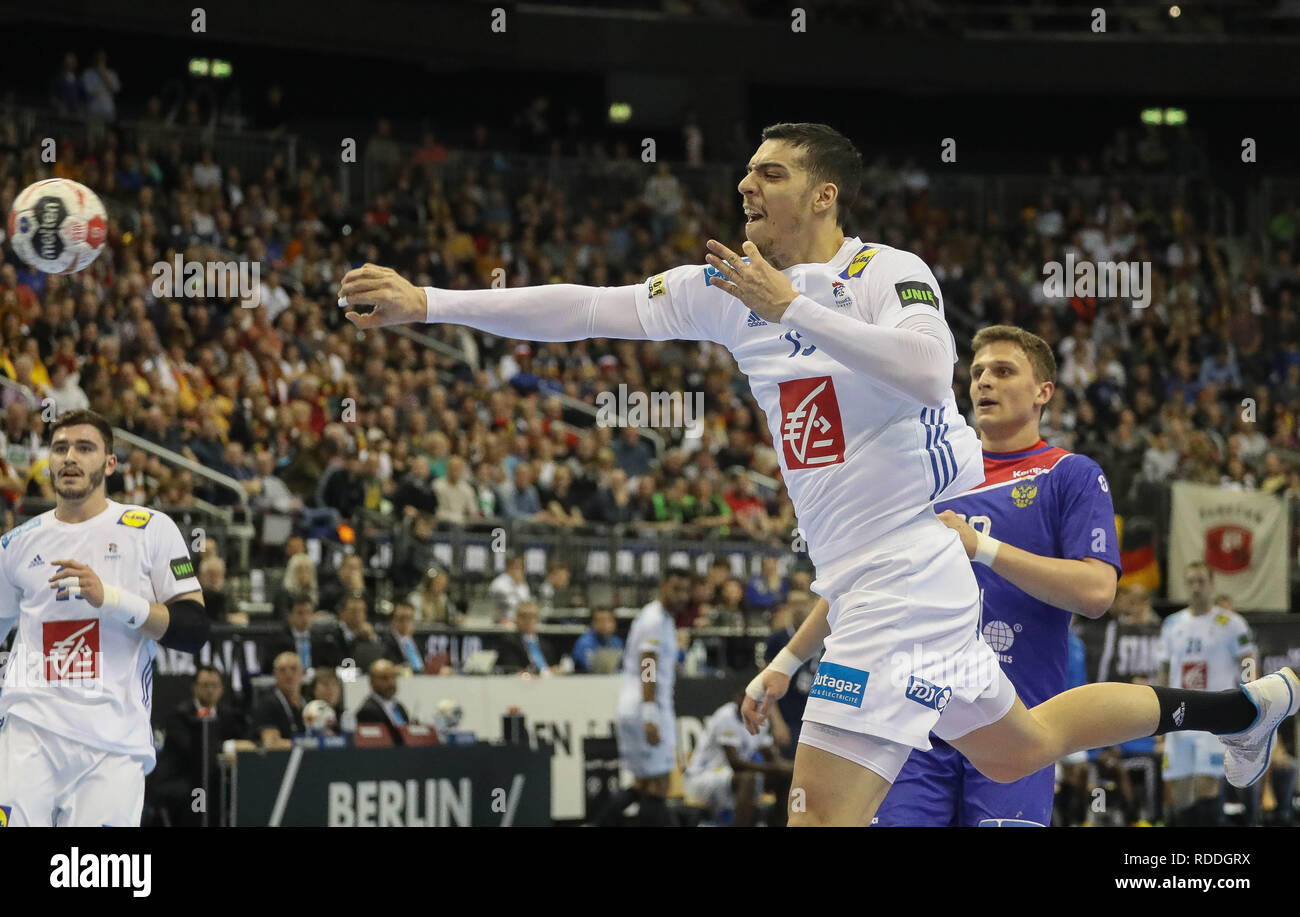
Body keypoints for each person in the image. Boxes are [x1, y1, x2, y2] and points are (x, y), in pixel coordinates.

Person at [338, 122, 1299, 826]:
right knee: (1025, 743)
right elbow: (590, 305)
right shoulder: (725, 291)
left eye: (772, 172)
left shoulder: (887, 269)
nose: (748, 185)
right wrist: (431, 302)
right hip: (867, 576)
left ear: (824, 195)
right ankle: (1244, 709)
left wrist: (792, 307)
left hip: (906, 577)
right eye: (748, 172)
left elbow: (928, 369)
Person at [874, 326, 1122, 827]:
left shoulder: (1069, 474)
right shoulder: (930, 477)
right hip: (918, 717)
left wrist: (982, 548)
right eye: (978, 372)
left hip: (1017, 722)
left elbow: (1096, 593)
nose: (984, 382)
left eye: (1003, 371)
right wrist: (787, 661)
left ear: (1042, 392)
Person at [0, 409, 209, 827]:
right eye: (60, 448)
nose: (69, 458)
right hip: (29, 731)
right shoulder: (15, 545)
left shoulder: (151, 529)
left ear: (110, 463)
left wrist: (111, 599)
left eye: (84, 447)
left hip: (114, 743)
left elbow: (194, 629)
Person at [1158, 561, 1257, 826]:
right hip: (1178, 720)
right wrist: (1155, 716)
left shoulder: (1232, 624)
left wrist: (1254, 701)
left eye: (1201, 581)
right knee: (1179, 793)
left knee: (1206, 785)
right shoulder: (1171, 624)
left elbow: (1248, 663)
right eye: (1191, 582)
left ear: (1212, 584)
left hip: (1214, 720)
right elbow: (1164, 671)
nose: (1196, 588)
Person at [593, 566, 690, 827]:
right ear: (662, 588)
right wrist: (650, 713)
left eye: (684, 590)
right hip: (646, 706)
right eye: (675, 589)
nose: (681, 596)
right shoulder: (654, 621)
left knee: (643, 783)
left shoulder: (664, 619)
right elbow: (648, 665)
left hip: (639, 705)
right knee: (660, 783)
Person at [150, 665, 252, 826]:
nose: (210, 690)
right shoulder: (180, 716)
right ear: (195, 688)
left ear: (222, 689)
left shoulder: (229, 716)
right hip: (183, 778)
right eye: (205, 685)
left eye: (214, 686)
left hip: (217, 780)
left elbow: (244, 740)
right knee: (201, 793)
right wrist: (227, 747)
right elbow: (193, 748)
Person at [683, 689, 793, 827]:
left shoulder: (760, 717)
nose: (749, 702)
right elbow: (735, 763)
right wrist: (777, 768)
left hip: (732, 779)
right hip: (702, 777)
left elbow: (770, 756)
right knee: (748, 779)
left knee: (784, 778)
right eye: (745, 697)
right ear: (736, 699)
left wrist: (789, 768)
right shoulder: (725, 716)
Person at [264, 597, 343, 672]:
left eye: (308, 612)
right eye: (300, 613)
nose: (305, 617)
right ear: (289, 616)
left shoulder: (323, 640)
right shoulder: (277, 641)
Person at [253, 652, 307, 749]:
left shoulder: (309, 703)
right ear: (275, 675)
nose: (288, 674)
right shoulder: (267, 703)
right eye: (282, 670)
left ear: (303, 673)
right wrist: (309, 744)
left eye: (293, 669)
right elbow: (271, 743)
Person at [354, 659, 411, 745]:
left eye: (393, 677)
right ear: (372, 682)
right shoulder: (367, 711)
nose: (391, 682)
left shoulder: (399, 707)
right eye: (384, 678)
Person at [495, 602, 558, 675]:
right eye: (524, 616)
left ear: (537, 619)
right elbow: (512, 669)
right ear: (516, 619)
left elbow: (554, 666)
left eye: (532, 616)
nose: (528, 620)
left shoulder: (546, 644)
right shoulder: (508, 642)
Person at [572, 608, 624, 673]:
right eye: (601, 621)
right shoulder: (584, 642)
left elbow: (623, 667)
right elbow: (587, 668)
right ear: (593, 623)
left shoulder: (617, 642)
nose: (605, 624)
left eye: (609, 620)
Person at [381, 600, 426, 672]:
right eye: (401, 618)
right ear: (393, 620)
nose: (405, 623)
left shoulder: (418, 640)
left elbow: (425, 665)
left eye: (409, 618)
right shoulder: (386, 641)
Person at [488, 554, 531, 623]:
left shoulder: (522, 584)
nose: (520, 570)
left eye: (522, 567)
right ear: (508, 567)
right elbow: (510, 602)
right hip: (501, 621)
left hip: (520, 621)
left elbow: (525, 602)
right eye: (516, 567)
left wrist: (519, 584)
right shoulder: (499, 582)